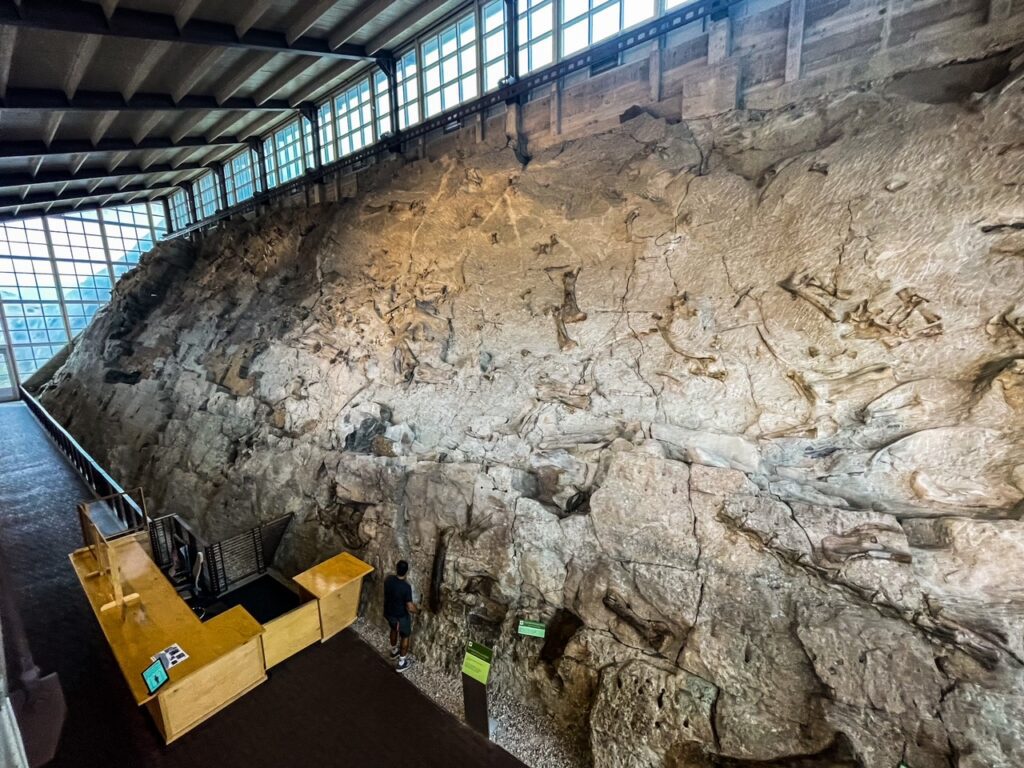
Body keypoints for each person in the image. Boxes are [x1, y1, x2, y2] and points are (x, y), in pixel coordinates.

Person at [383, 560, 417, 672]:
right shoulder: (406, 587)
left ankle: (393, 652)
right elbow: (410, 607)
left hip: (389, 613)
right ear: (406, 571)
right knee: (405, 636)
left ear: (396, 568)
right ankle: (402, 662)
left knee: (393, 629)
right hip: (400, 617)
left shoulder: (388, 579)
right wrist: (418, 611)